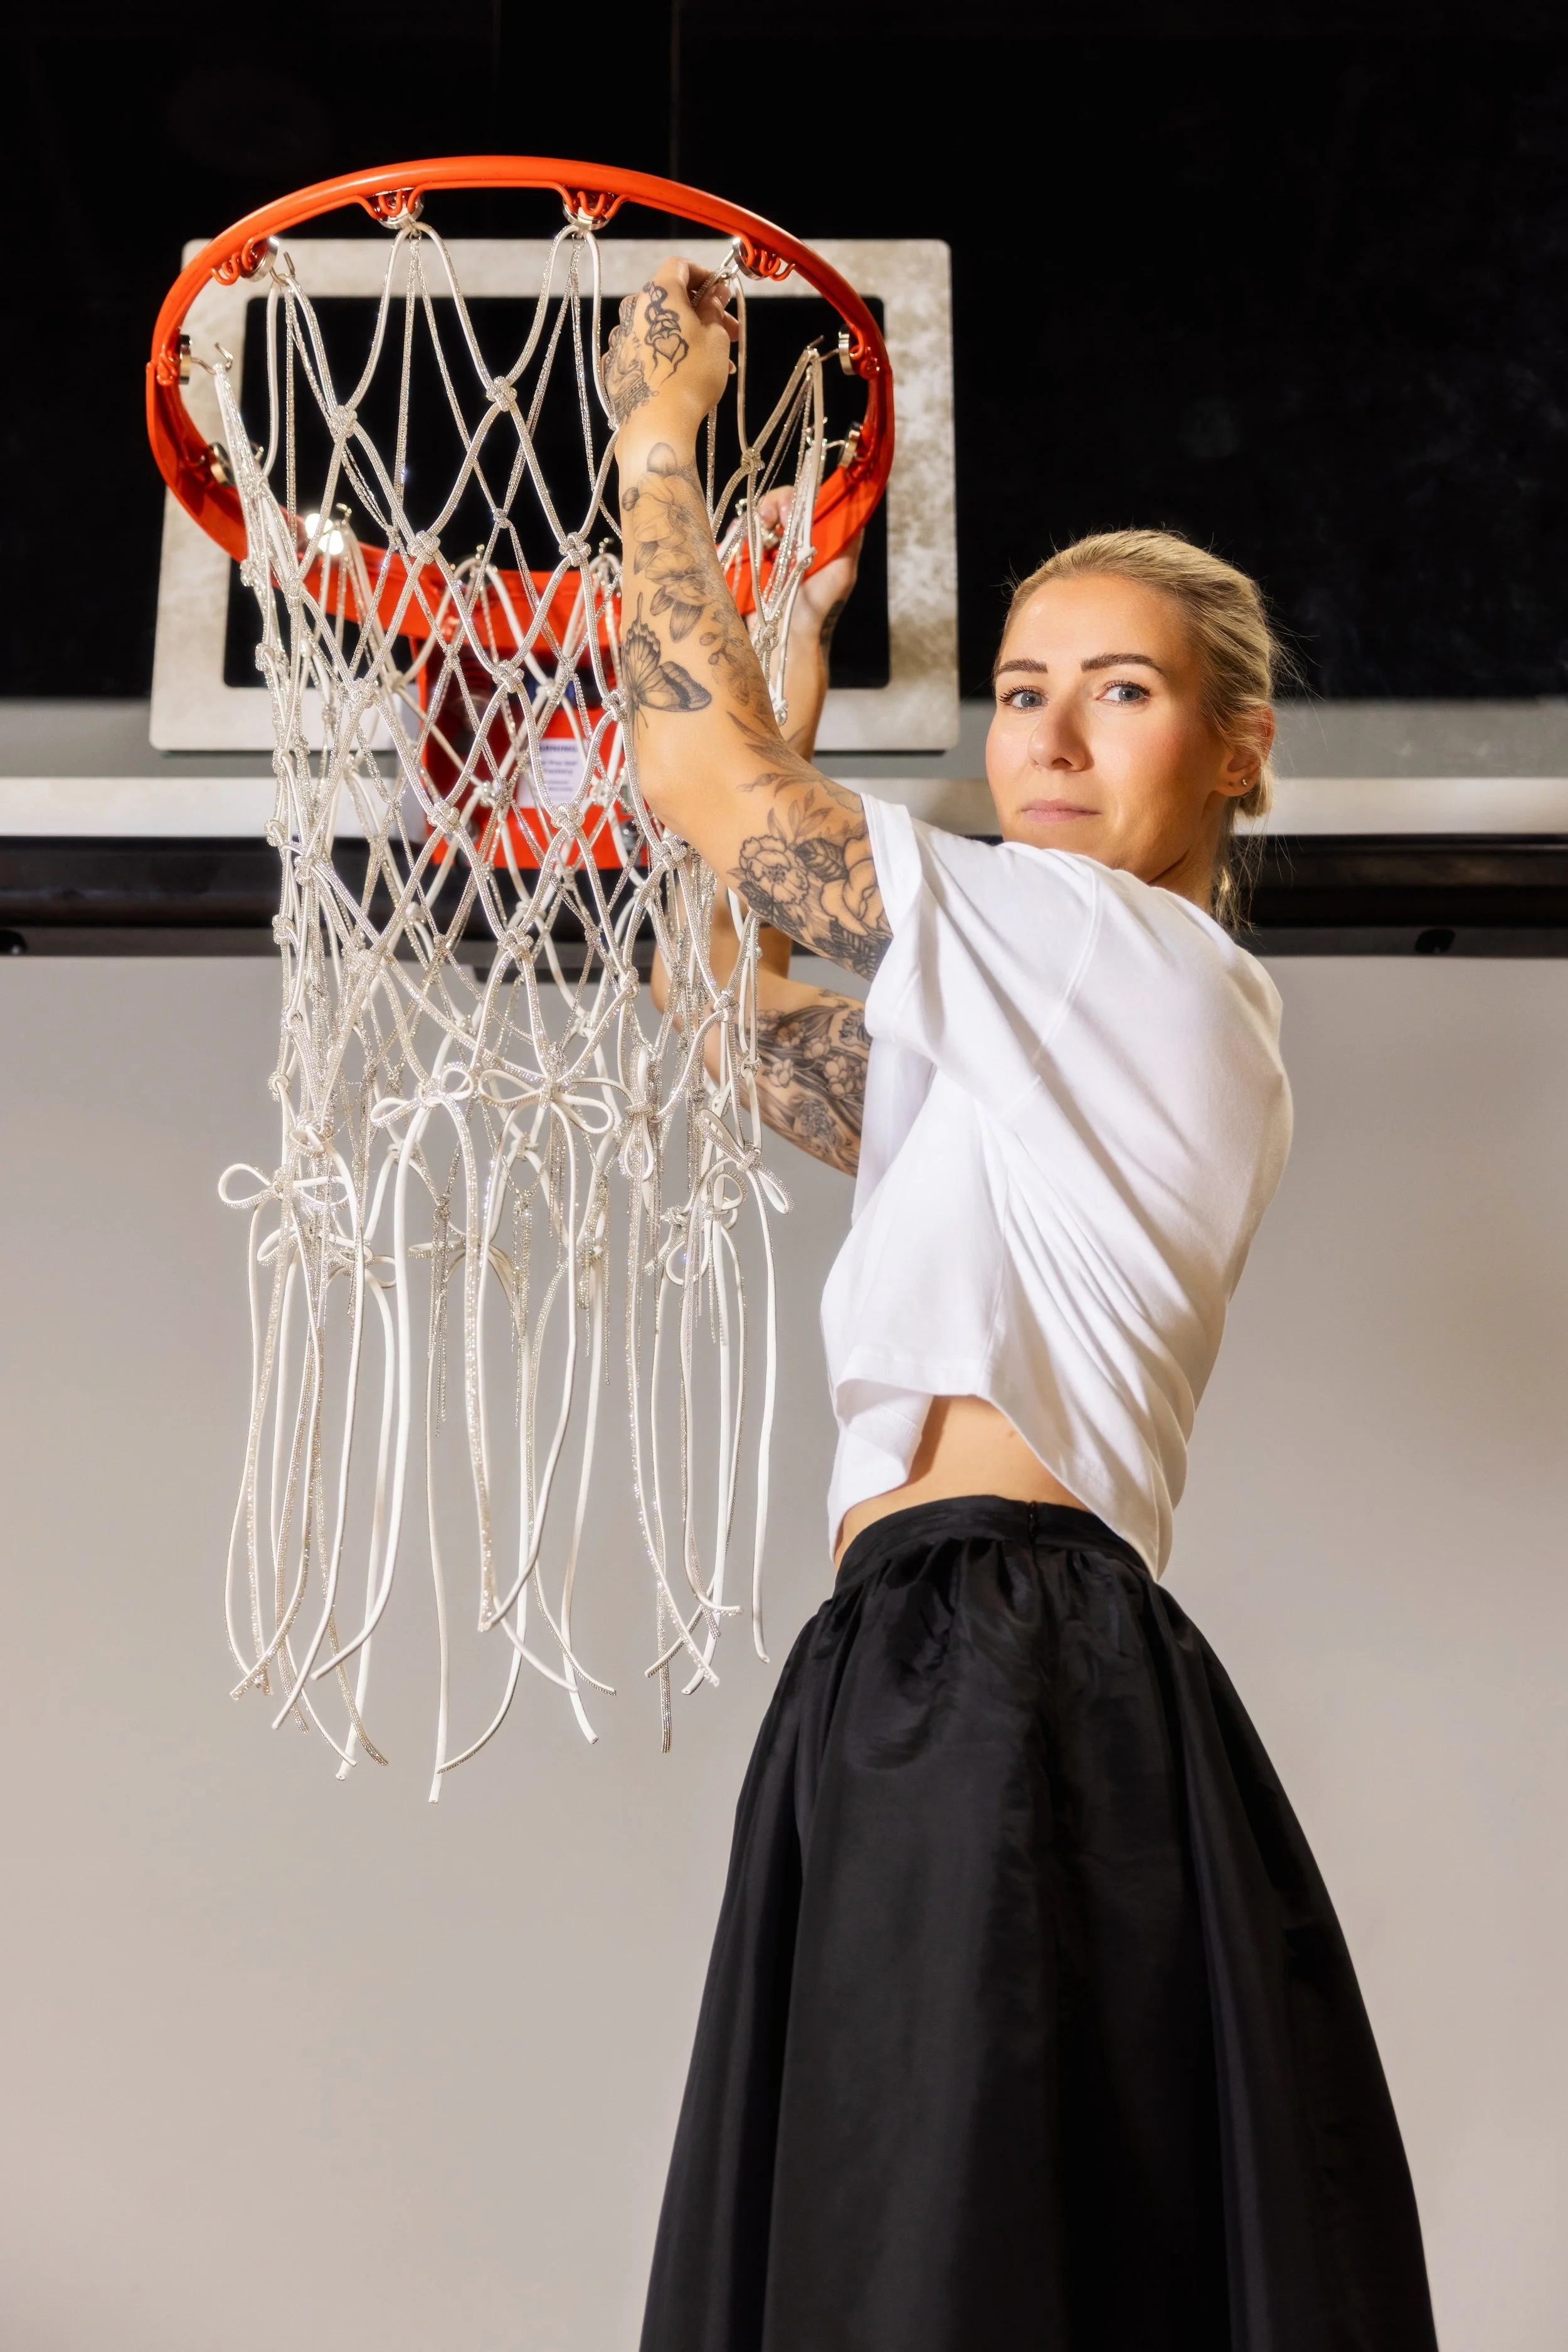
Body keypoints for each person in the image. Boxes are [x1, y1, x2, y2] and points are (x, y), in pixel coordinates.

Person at [612, 261, 1439, 2352]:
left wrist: (654, 449)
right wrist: (769, 746)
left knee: (929, 2278)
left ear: (1240, 749)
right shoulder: (1021, 1022)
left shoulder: (1115, 954)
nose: (1046, 738)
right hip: (943, 1653)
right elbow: (721, 1022)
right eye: (1014, 687)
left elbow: (697, 794)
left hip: (995, 1650)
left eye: (1122, 690)